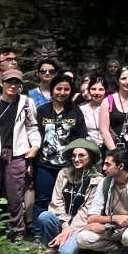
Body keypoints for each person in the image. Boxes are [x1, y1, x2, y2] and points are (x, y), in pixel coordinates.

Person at [0, 67, 40, 237]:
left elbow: (32, 126)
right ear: (2, 82)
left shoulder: (26, 103)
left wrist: (35, 145)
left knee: (15, 195)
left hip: (17, 153)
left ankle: (17, 232)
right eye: (10, 82)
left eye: (16, 82)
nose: (13, 86)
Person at [72, 149, 128, 254]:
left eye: (108, 164)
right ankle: (115, 248)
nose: (104, 168)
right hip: (113, 227)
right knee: (82, 239)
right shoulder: (104, 183)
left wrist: (106, 225)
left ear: (120, 166)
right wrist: (113, 219)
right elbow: (91, 218)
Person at [32, 73, 87, 225]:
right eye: (59, 89)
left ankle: (65, 230)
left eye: (66, 89)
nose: (62, 92)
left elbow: (82, 138)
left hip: (69, 165)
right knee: (42, 198)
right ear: (52, 89)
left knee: (67, 199)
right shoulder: (42, 111)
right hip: (44, 164)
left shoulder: (75, 111)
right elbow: (34, 135)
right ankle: (38, 232)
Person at [33, 137, 101, 254]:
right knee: (44, 216)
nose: (76, 159)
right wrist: (65, 226)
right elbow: (56, 201)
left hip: (80, 226)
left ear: (90, 157)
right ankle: (51, 249)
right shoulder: (63, 173)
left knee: (66, 253)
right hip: (62, 223)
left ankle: (76, 253)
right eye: (74, 155)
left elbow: (87, 211)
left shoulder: (97, 180)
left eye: (81, 156)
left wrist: (71, 229)